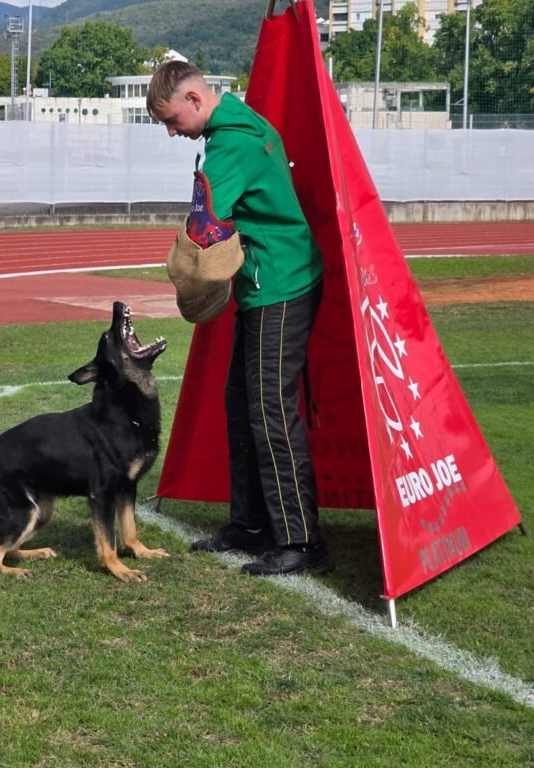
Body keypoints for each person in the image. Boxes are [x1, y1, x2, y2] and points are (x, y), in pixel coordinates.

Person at [146, 61, 331, 576]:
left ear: (195, 100)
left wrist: (183, 274)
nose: (171, 131)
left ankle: (301, 541)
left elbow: (204, 224)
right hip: (269, 281)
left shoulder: (230, 145)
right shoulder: (242, 123)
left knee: (270, 411)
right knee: (241, 405)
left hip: (278, 285)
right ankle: (250, 524)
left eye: (172, 119)